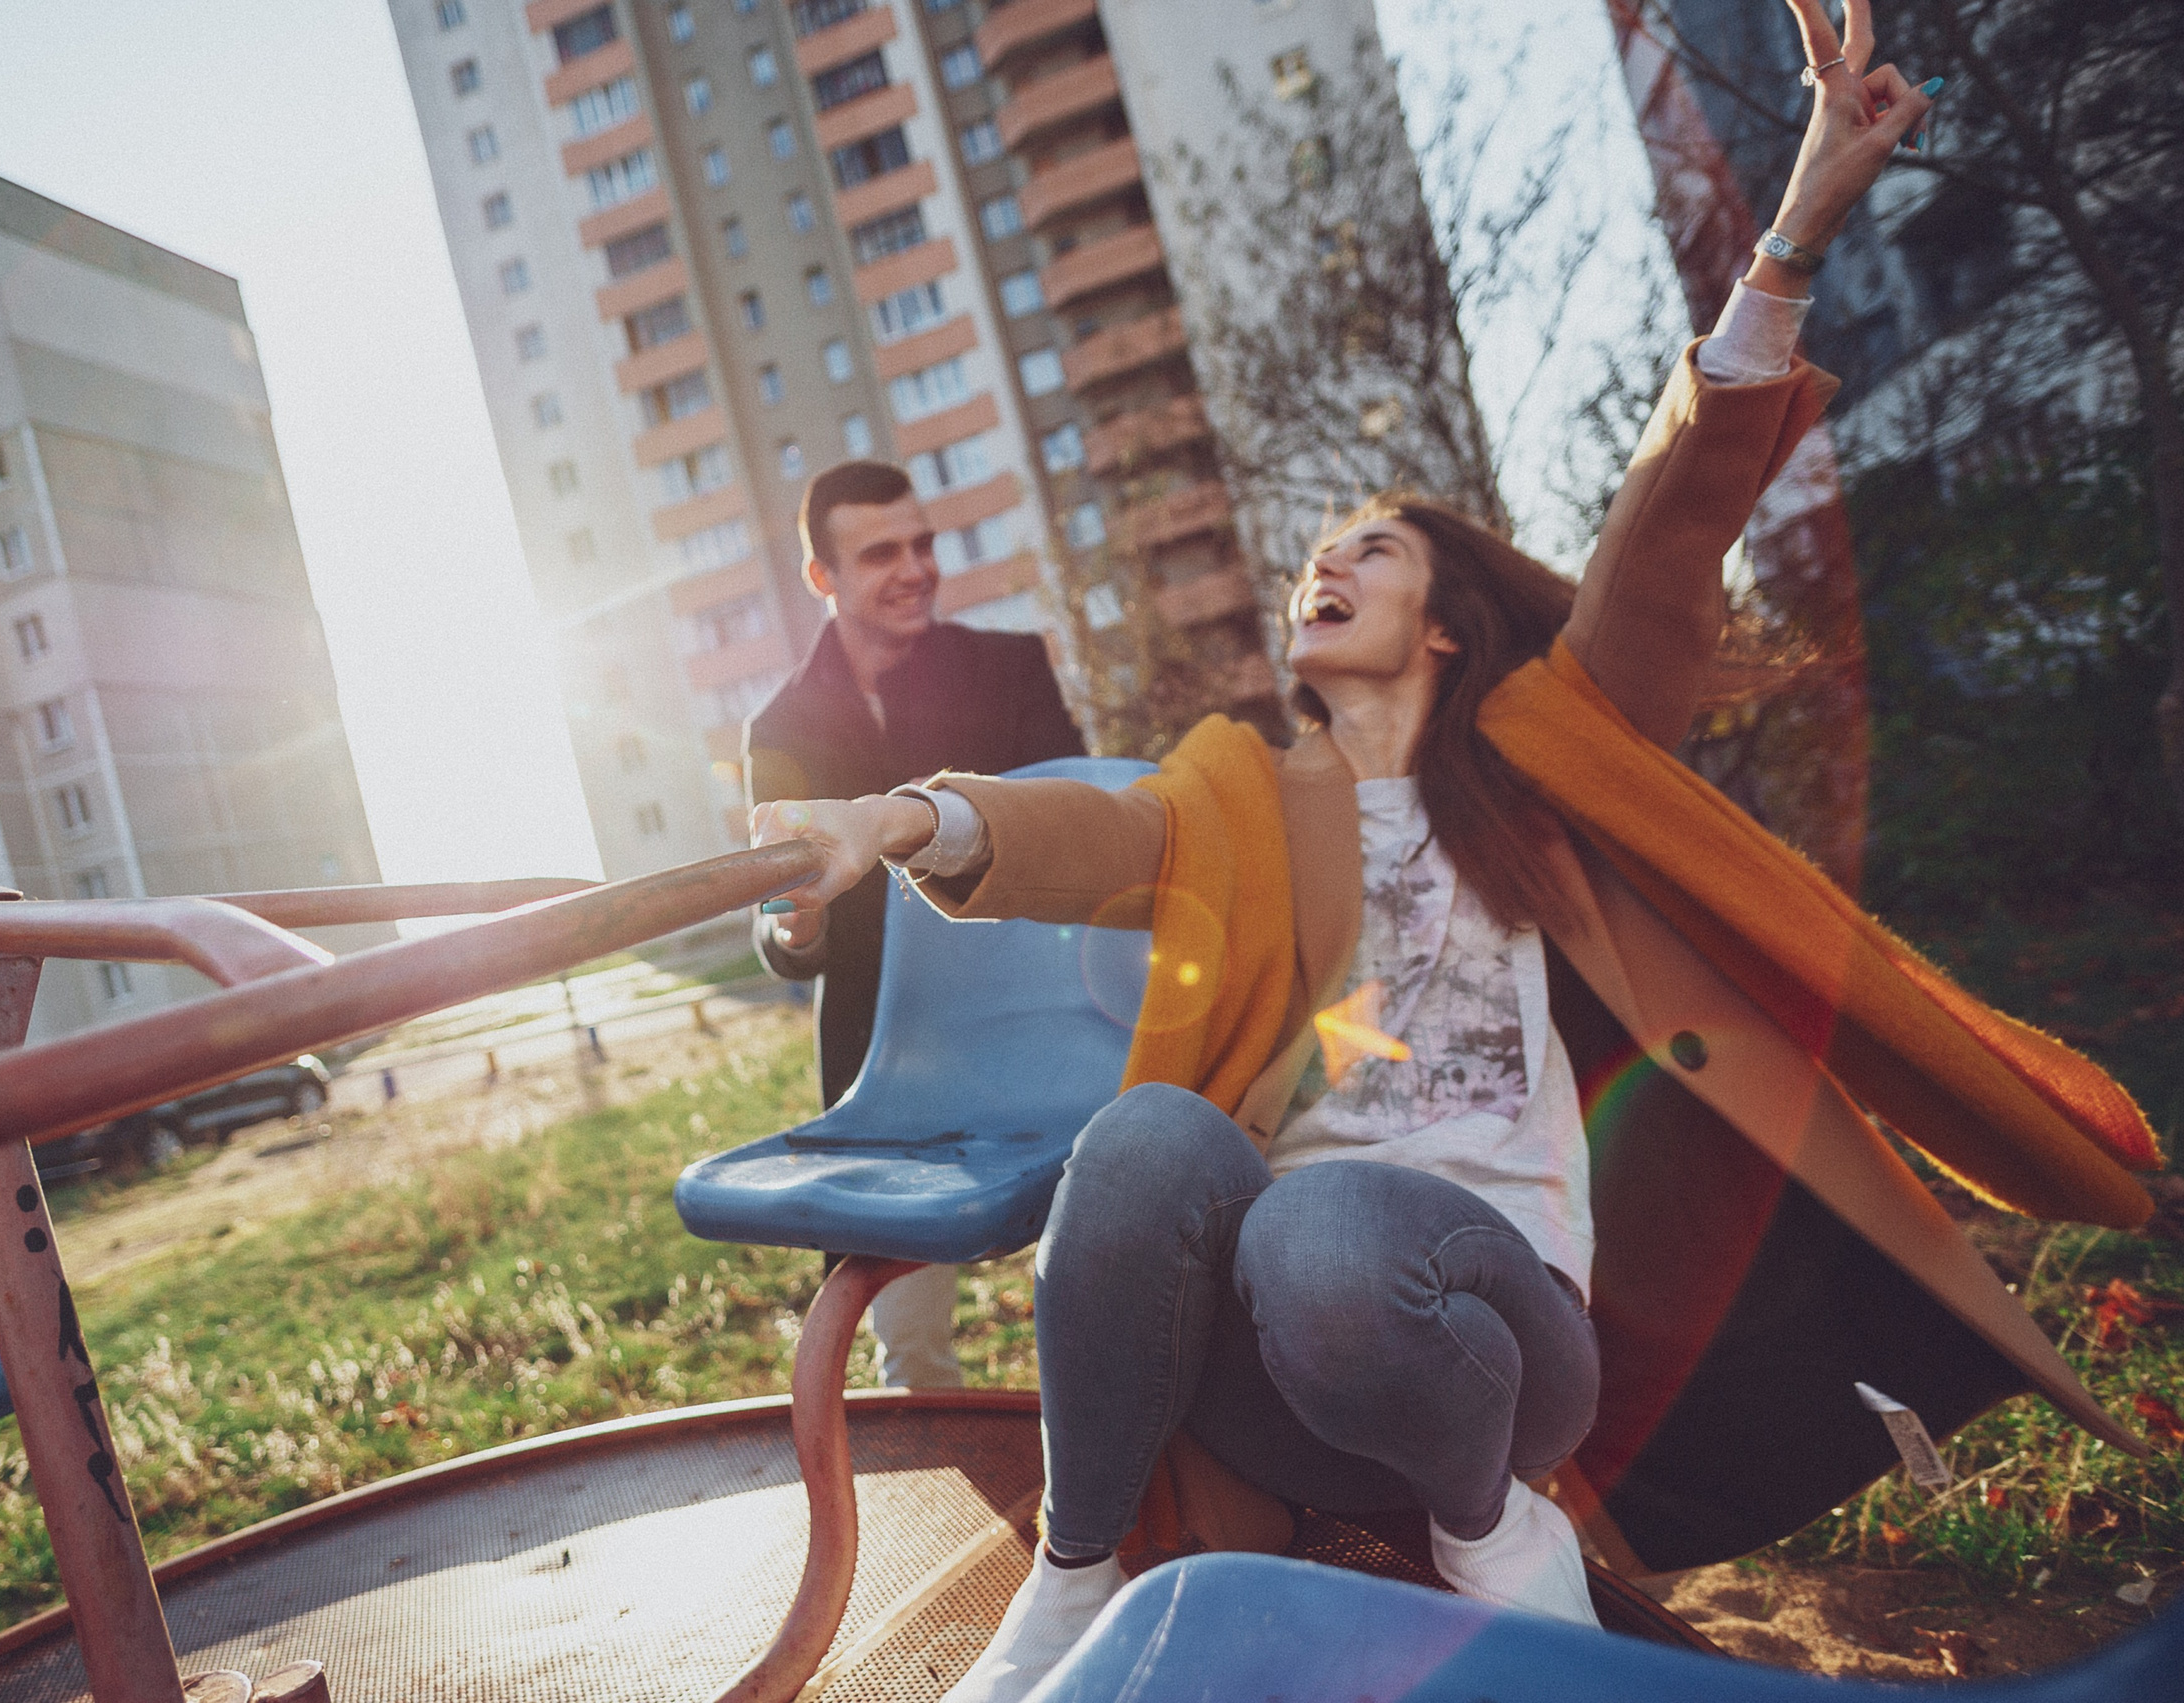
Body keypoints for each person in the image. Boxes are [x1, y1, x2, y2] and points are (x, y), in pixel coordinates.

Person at [754, 25, 2143, 1699]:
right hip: (1281, 1362)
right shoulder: (1246, 791)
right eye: (1316, 557)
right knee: (1147, 1143)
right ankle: (1077, 1568)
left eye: (1372, 548)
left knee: (1326, 1228)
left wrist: (1791, 235)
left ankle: (1495, 1526)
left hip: (1500, 1337)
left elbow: (1670, 522)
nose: (1325, 566)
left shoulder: (1551, 757)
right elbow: (1088, 828)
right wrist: (891, 820)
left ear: (1450, 620)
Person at [744, 460, 1086, 1390]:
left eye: (923, 543)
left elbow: (1081, 841)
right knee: (909, 1350)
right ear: (820, 576)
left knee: (1104, 1292)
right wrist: (796, 925)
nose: (915, 568)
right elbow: (781, 929)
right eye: (880, 553)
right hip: (882, 1064)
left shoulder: (1011, 670)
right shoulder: (779, 728)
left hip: (1038, 1031)